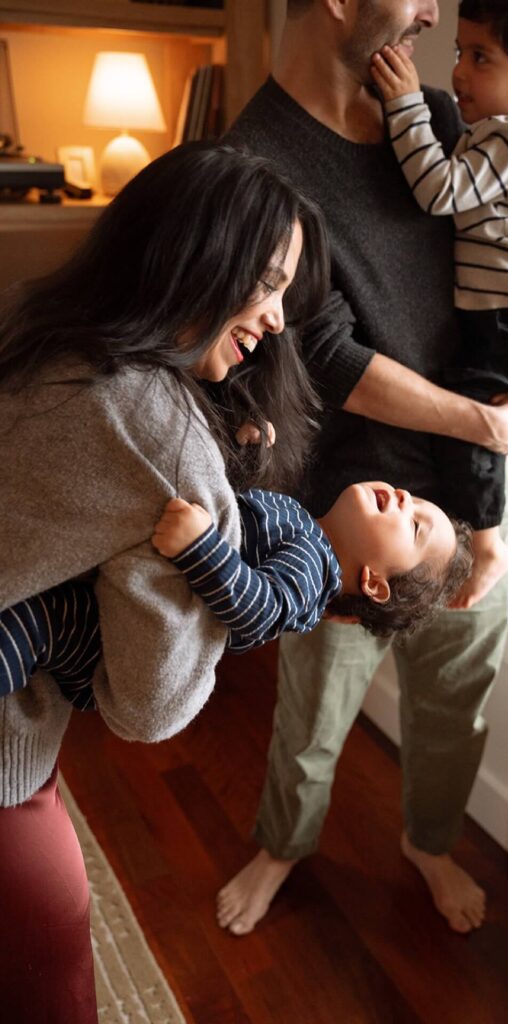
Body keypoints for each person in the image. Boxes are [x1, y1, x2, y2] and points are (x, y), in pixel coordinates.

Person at [217, 0, 508, 938]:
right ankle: (283, 845)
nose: (432, 13)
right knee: (313, 709)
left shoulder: (443, 122)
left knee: (457, 696)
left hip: (474, 496)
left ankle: (429, 841)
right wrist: (484, 423)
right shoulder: (257, 168)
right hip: (347, 509)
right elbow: (325, 352)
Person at [0, 140, 329, 1024]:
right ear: (191, 259)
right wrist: (170, 561)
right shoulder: (163, 432)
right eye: (263, 284)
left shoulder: (40, 329)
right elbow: (147, 710)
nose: (276, 320)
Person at [371, 0, 508, 608]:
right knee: (473, 414)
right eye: (461, 53)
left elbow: (439, 189)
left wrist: (405, 106)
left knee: (473, 423)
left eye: (481, 57)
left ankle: (490, 544)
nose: (460, 72)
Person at [0, 483, 472, 708]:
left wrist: (199, 547)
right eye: (416, 498)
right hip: (121, 586)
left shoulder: (312, 570)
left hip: (101, 639)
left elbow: (257, 610)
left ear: (373, 583)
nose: (405, 497)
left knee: (34, 620)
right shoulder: (307, 526)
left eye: (413, 526)